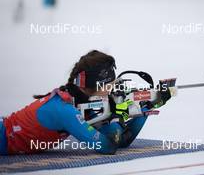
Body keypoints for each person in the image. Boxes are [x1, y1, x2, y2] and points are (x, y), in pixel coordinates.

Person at [0, 50, 170, 155]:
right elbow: (107, 146)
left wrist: (147, 105)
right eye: (109, 86)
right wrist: (116, 117)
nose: (111, 91)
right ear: (95, 85)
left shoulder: (80, 101)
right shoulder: (66, 111)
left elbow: (121, 141)